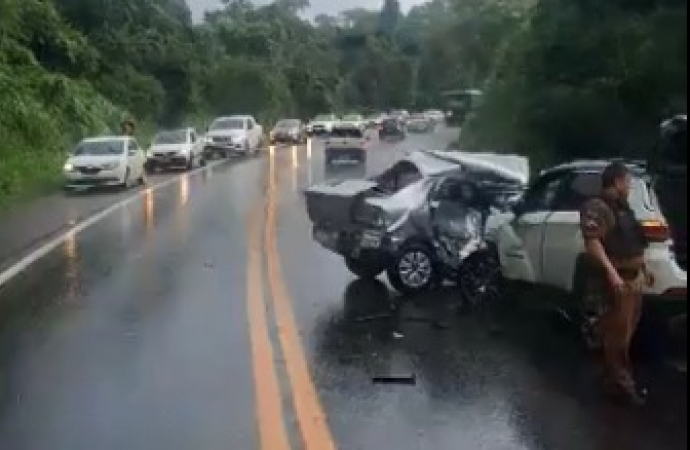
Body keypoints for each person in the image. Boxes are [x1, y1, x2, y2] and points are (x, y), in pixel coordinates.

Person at [579, 162, 654, 405]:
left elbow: (634, 242)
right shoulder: (597, 207)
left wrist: (644, 270)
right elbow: (593, 243)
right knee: (617, 336)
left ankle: (610, 380)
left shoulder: (624, 208)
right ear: (617, 181)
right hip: (616, 279)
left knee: (626, 334)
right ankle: (622, 387)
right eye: (628, 182)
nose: (630, 186)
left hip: (632, 279)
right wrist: (612, 274)